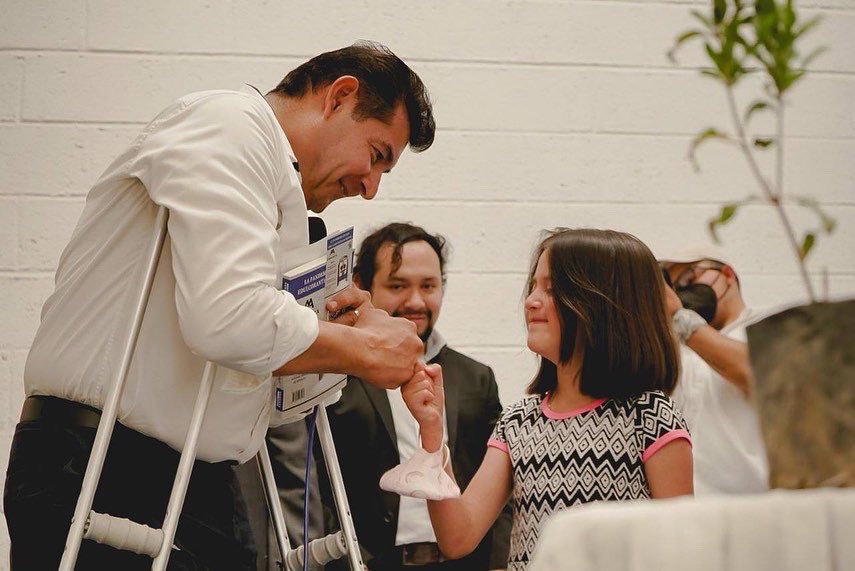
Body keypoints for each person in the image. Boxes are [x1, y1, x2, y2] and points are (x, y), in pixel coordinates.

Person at [4, 41, 436, 570]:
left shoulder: (277, 186)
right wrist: (361, 347)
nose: (370, 188)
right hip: (105, 465)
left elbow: (246, 347)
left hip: (197, 478)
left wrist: (331, 327)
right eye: (376, 155)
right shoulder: (230, 124)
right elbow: (227, 319)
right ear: (339, 97)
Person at [400, 228, 693, 571]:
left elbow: (683, 551)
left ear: (603, 305)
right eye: (533, 287)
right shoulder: (517, 421)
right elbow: (458, 537)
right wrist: (433, 432)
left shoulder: (650, 416)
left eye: (552, 290)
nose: (531, 301)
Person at [313, 222, 511, 571]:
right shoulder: (332, 378)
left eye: (429, 286)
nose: (416, 301)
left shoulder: (477, 378)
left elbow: (501, 487)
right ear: (364, 287)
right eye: (398, 285)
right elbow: (309, 482)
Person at [659, 245, 770, 495]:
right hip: (688, 508)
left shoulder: (765, 325)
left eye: (690, 277)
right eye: (674, 287)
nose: (682, 292)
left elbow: (758, 373)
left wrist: (679, 317)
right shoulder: (676, 349)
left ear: (728, 275)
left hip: (753, 505)